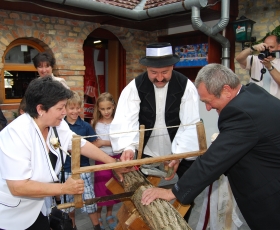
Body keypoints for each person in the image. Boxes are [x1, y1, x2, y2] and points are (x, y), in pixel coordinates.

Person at [141, 63, 280, 230]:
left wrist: (173, 192)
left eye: (208, 101)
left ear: (227, 90)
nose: (207, 108)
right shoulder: (253, 93)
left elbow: (213, 161)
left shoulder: (239, 113)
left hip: (272, 197)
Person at [0, 77, 127, 230]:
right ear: (41, 109)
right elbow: (18, 187)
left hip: (39, 209)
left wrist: (113, 163)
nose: (65, 112)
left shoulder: (57, 125)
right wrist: (63, 188)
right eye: (60, 108)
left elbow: (79, 144)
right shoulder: (16, 134)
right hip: (13, 215)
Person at [109, 42, 200, 221]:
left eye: (165, 72)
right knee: (143, 198)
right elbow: (126, 120)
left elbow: (190, 124)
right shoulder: (135, 86)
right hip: (147, 152)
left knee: (184, 197)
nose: (159, 78)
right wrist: (128, 147)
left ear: (173, 66)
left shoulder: (186, 86)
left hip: (177, 151)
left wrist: (179, 155)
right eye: (154, 73)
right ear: (147, 68)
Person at [61, 91, 100, 230]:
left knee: (89, 200)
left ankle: (97, 226)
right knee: (69, 204)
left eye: (78, 108)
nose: (75, 111)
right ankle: (72, 226)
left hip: (83, 169)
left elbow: (94, 143)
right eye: (71, 108)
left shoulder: (86, 126)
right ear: (64, 109)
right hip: (65, 170)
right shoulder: (59, 127)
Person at [92, 92, 120, 230]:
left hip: (115, 158)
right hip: (101, 160)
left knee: (112, 189)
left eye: (108, 108)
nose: (106, 111)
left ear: (113, 107)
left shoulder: (118, 123)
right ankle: (97, 216)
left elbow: (120, 142)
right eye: (102, 109)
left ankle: (109, 213)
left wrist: (103, 142)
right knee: (100, 190)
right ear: (98, 108)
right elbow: (93, 142)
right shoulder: (95, 123)